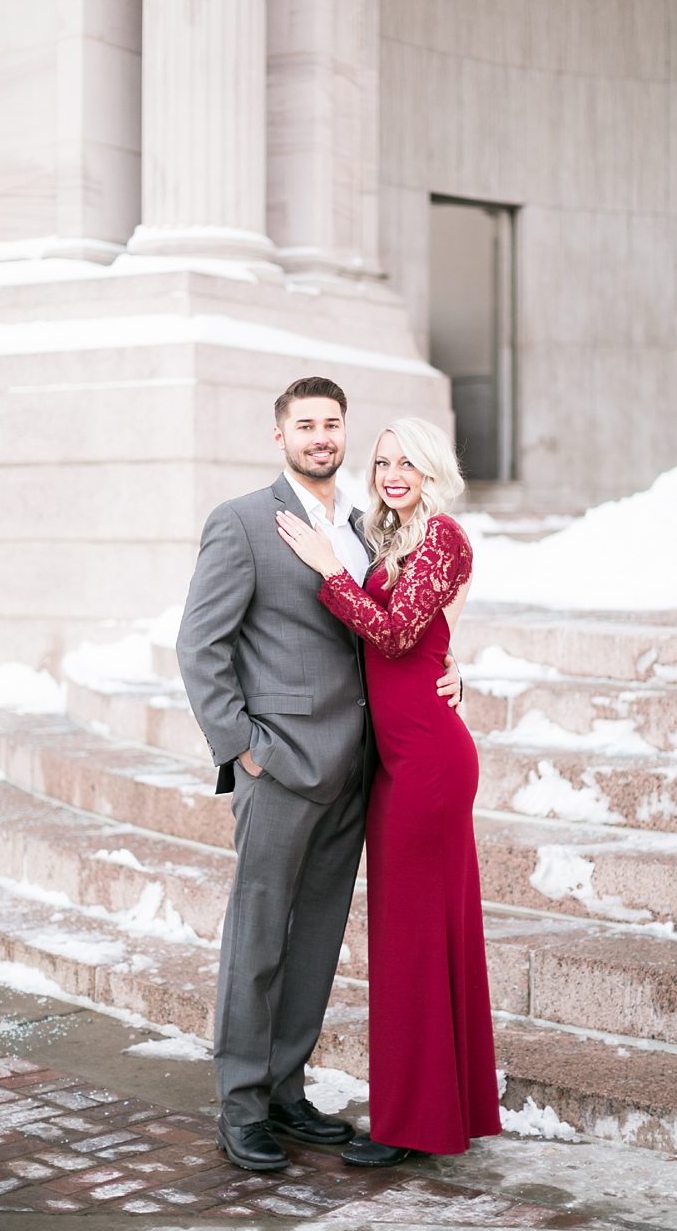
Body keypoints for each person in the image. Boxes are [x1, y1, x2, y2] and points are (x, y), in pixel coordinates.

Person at [177, 377, 463, 1172]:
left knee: (315, 945)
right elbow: (200, 647)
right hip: (281, 764)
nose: (321, 437)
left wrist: (452, 670)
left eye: (332, 424)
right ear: (281, 437)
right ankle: (240, 1104)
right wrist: (242, 747)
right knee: (258, 940)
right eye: (306, 425)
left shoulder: (372, 529)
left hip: (358, 769)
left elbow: (400, 626)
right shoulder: (241, 523)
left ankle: (286, 1090)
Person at [275, 415, 500, 1167]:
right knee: (413, 941)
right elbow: (426, 641)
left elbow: (401, 633)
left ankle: (413, 1125)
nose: (391, 473)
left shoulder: (442, 537)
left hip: (430, 763)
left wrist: (325, 570)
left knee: (415, 943)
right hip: (397, 759)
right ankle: (435, 1111)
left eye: (406, 462)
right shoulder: (393, 537)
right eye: (382, 462)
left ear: (434, 467)